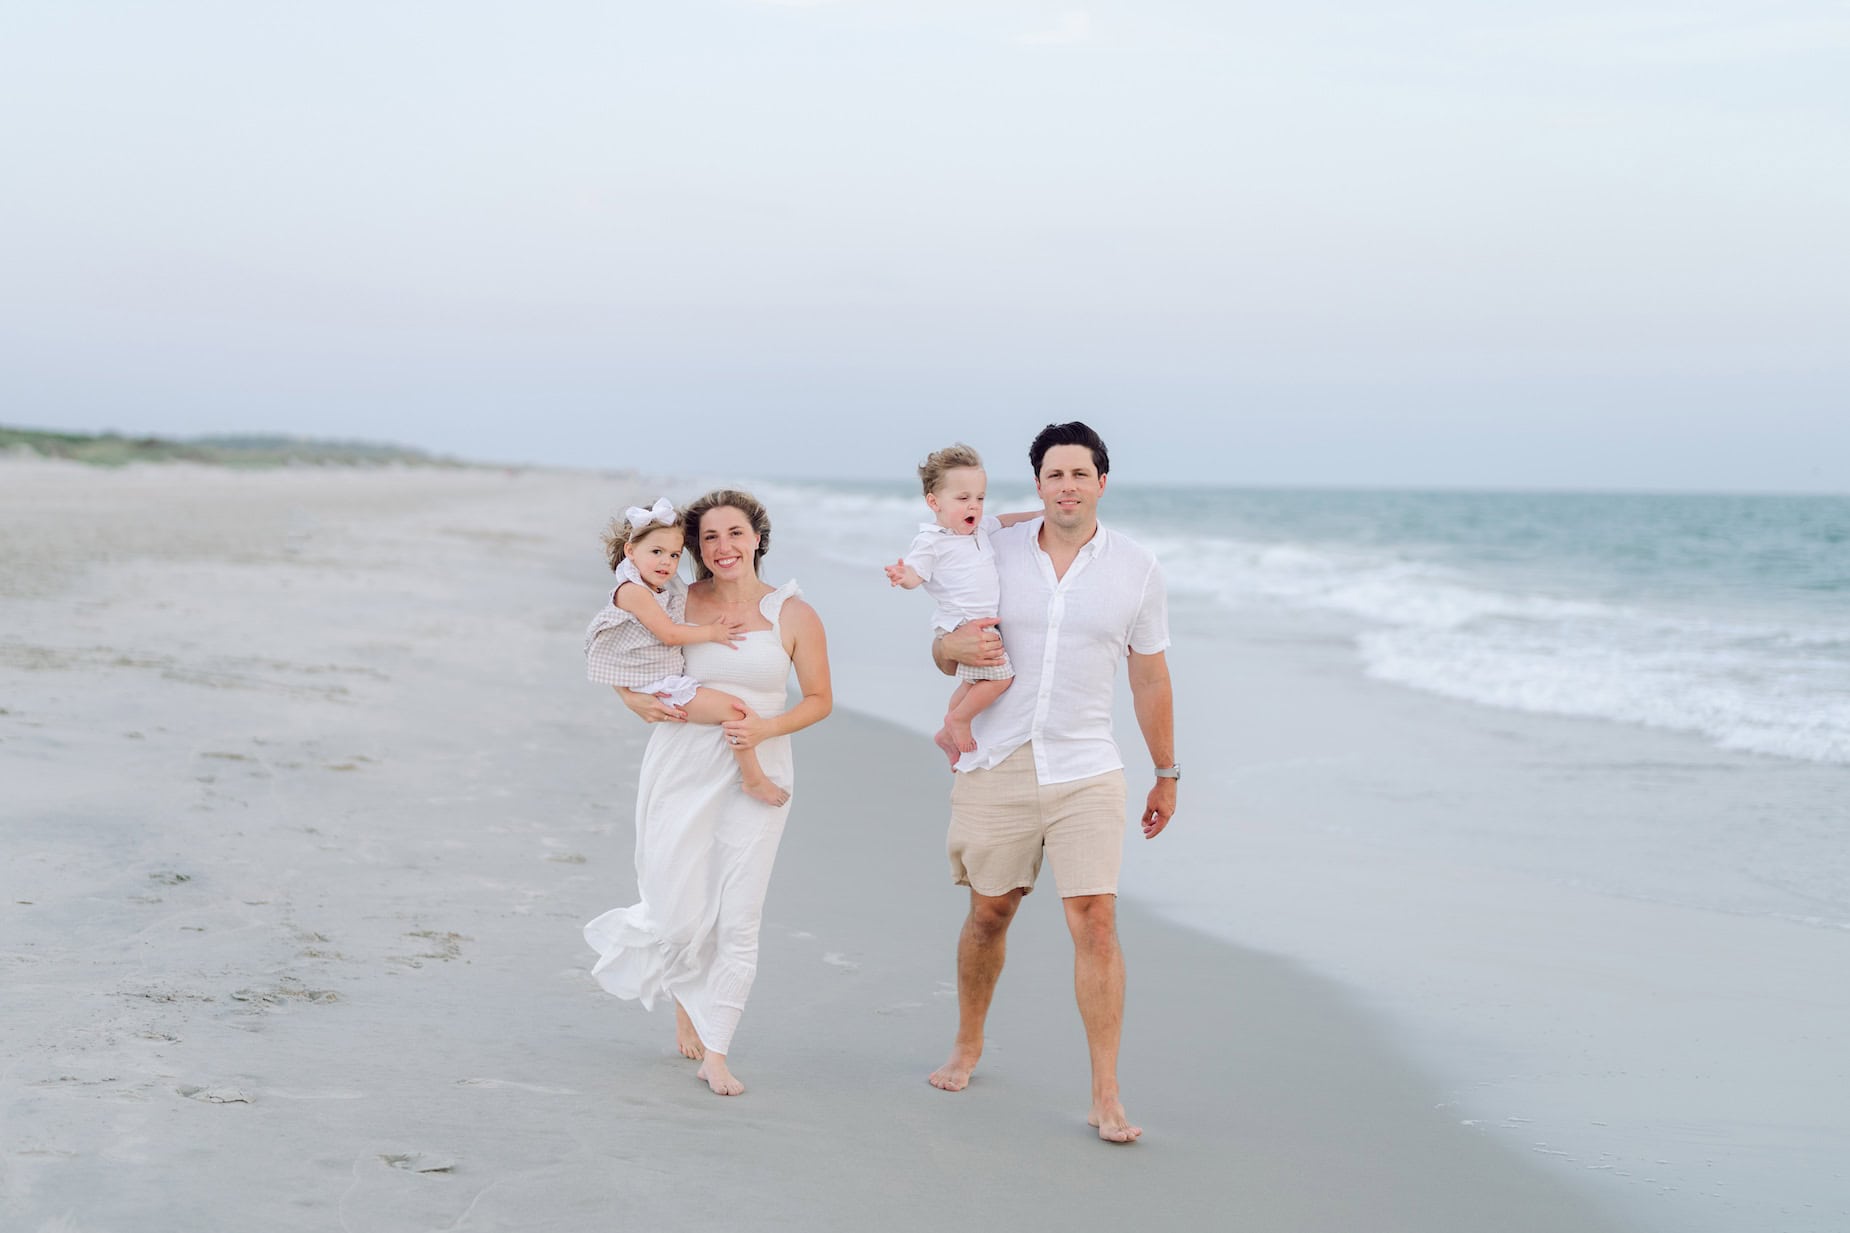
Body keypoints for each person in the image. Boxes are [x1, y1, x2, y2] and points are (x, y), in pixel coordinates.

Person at [927, 422, 1177, 1144]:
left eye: (1080, 473)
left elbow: (1151, 673)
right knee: (990, 914)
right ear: (1037, 483)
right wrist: (949, 647)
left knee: (1096, 919)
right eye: (1054, 474)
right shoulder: (991, 549)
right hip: (997, 758)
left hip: (1086, 767)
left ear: (1102, 482)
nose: (1067, 485)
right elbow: (946, 639)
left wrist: (1166, 770)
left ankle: (1106, 1092)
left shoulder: (1137, 569)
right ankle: (969, 1041)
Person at [583, 489, 832, 1097]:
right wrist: (631, 700)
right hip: (681, 764)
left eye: (735, 534)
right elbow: (627, 653)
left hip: (761, 769)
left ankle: (717, 1050)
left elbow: (821, 700)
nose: (724, 547)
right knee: (679, 906)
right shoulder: (676, 599)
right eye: (710, 538)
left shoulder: (793, 614)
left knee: (740, 915)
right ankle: (684, 998)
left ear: (757, 539)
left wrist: (764, 728)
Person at [584, 497, 790, 807]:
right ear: (630, 551)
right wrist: (712, 633)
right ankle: (754, 779)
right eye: (656, 552)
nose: (666, 563)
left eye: (674, 555)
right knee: (734, 710)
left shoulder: (655, 587)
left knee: (732, 710)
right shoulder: (634, 592)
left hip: (654, 678)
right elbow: (667, 634)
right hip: (658, 684)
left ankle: (752, 777)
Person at [883, 444, 1035, 765]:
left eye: (979, 498)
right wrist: (902, 575)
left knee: (974, 681)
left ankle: (946, 730)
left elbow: (1006, 520)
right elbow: (915, 571)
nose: (974, 506)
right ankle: (959, 721)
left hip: (978, 622)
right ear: (934, 503)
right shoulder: (932, 540)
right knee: (1000, 678)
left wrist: (1043, 513)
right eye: (963, 498)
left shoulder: (979, 529)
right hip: (962, 623)